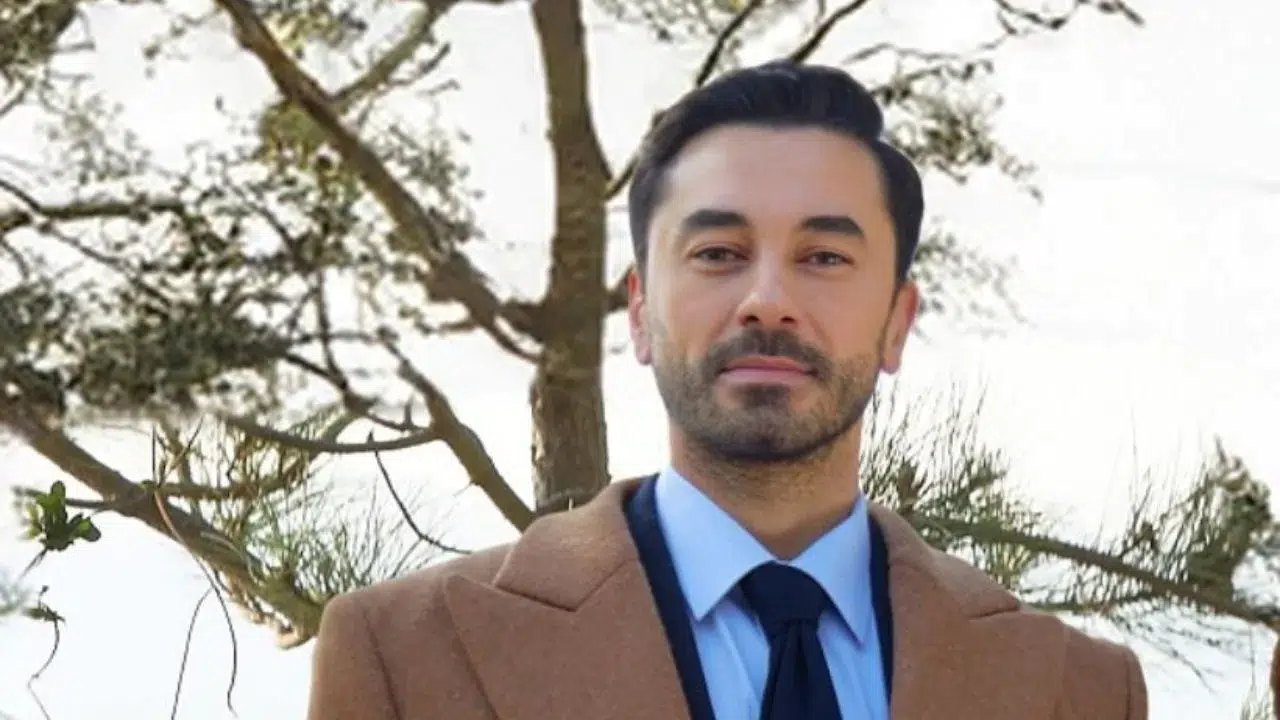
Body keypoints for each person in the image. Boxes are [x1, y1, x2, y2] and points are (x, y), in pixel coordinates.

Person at [306, 60, 1148, 720]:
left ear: (897, 322)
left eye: (825, 257)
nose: (768, 300)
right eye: (718, 254)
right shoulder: (403, 657)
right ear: (640, 313)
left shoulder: (1079, 692)